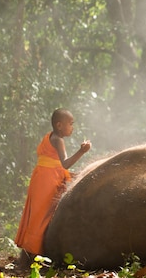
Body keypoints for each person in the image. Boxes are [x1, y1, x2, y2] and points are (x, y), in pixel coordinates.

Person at [15, 108, 91, 258]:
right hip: (47, 180)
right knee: (43, 214)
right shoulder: (57, 139)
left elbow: (53, 163)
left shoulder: (49, 136)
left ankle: (33, 251)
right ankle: (35, 252)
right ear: (59, 125)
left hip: (42, 176)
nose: (72, 127)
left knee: (38, 214)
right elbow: (65, 164)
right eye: (70, 123)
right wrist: (82, 151)